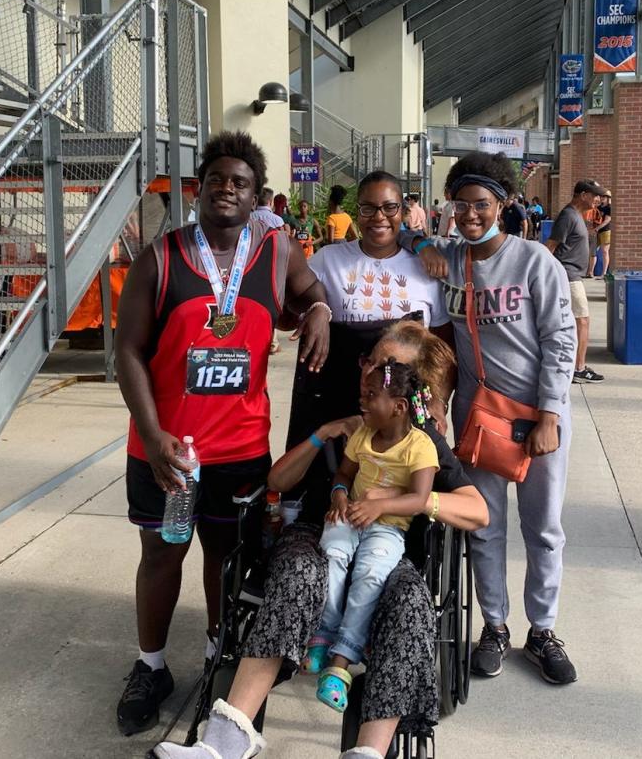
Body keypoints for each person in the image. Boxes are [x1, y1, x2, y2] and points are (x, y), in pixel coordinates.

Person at [151, 320, 487, 759]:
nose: (371, 371)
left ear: (406, 394)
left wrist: (412, 500)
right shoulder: (341, 410)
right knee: (298, 571)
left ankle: (368, 752)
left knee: (409, 603)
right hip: (316, 531)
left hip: (388, 543)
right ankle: (223, 743)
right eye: (371, 360)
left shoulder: (421, 440)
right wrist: (324, 433)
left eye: (386, 367)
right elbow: (277, 480)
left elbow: (478, 511)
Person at [112, 131, 332, 736]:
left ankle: (218, 654)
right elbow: (126, 352)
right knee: (161, 555)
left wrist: (318, 311)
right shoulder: (160, 258)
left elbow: (312, 292)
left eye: (240, 183)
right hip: (167, 451)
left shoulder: (277, 252)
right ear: (198, 189)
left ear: (256, 195)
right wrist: (153, 435)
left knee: (228, 558)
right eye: (216, 180)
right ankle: (151, 665)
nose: (227, 190)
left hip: (240, 450)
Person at [405, 150, 580, 688]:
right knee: (485, 527)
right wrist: (424, 244)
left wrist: (551, 411)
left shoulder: (534, 262)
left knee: (543, 529)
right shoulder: (451, 258)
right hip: (479, 418)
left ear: (502, 204)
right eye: (460, 205)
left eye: (480, 204)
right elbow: (407, 239)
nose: (470, 215)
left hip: (536, 420)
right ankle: (495, 627)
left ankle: (544, 630)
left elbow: (560, 338)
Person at [307, 361, 438, 713]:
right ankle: (323, 633)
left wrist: (379, 508)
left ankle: (342, 659)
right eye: (362, 393)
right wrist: (337, 493)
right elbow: (344, 474)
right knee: (332, 555)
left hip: (388, 526)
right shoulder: (363, 435)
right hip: (350, 515)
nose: (362, 402)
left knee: (369, 575)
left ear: (398, 407)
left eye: (370, 395)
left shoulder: (420, 446)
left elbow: (419, 499)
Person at [305, 171, 449, 332]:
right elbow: (288, 314)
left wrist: (422, 245)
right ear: (358, 212)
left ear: (402, 212)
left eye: (390, 207)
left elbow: (441, 339)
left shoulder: (426, 265)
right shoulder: (328, 259)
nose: (379, 216)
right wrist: (319, 307)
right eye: (368, 208)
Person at [546, 180, 606, 384]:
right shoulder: (568, 216)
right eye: (594, 195)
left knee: (576, 321)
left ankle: (574, 366)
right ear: (582, 195)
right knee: (582, 321)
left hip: (574, 276)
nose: (598, 199)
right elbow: (550, 247)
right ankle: (578, 368)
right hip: (568, 275)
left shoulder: (577, 216)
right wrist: (546, 275)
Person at [594, 193, 612, 277]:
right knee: (592, 251)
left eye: (604, 197)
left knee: (604, 251)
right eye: (601, 196)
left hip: (606, 231)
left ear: (608, 198)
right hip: (597, 231)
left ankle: (604, 272)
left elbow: (607, 220)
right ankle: (590, 271)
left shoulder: (609, 207)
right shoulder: (599, 207)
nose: (602, 198)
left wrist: (597, 228)